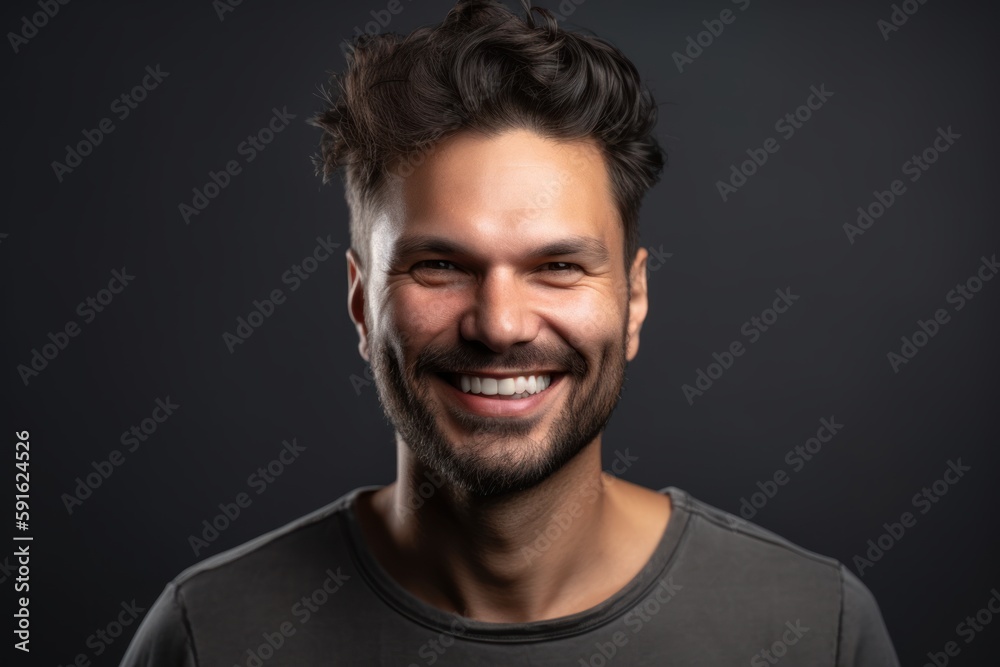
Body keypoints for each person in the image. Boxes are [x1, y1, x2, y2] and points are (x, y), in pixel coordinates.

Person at [120, 1, 900, 664]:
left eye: (558, 265)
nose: (499, 325)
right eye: (438, 265)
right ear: (361, 305)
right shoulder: (210, 633)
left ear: (633, 300)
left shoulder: (815, 629)